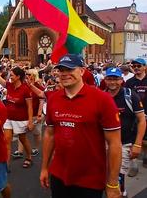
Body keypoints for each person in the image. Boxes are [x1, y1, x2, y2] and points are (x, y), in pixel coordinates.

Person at [40, 54, 122, 198]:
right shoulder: (53, 99)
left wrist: (113, 183)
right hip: (59, 174)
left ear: (82, 71)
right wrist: (45, 168)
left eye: (70, 69)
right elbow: (49, 134)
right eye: (61, 70)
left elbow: (114, 143)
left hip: (90, 180)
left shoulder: (103, 99)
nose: (64, 74)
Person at [104, 67, 146, 197]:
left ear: (121, 80)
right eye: (109, 79)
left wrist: (138, 144)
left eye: (116, 79)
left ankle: (121, 193)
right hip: (104, 143)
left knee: (117, 174)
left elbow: (142, 120)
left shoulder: (130, 95)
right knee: (106, 173)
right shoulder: (102, 96)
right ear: (105, 80)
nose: (112, 82)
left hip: (125, 143)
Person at [0, 66, 34, 169]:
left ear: (18, 76)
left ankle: (29, 156)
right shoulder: (9, 86)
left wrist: (30, 121)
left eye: (11, 75)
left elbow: (30, 106)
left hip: (21, 119)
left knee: (22, 138)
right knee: (7, 140)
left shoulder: (25, 89)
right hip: (8, 118)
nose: (10, 77)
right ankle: (6, 164)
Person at [125, 58, 147, 169]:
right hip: (133, 116)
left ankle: (146, 157)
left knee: (145, 140)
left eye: (139, 66)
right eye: (134, 66)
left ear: (145, 67)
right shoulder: (129, 82)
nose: (136, 68)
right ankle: (134, 167)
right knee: (132, 141)